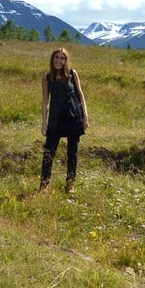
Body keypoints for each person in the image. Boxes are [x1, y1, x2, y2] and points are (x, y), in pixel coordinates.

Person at [40, 48, 89, 193]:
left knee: (72, 153)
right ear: (52, 59)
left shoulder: (72, 74)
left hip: (73, 117)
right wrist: (44, 122)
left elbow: (80, 94)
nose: (59, 61)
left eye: (62, 58)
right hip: (55, 118)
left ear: (66, 61)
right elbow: (45, 101)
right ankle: (43, 184)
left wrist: (85, 115)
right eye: (56, 57)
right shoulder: (47, 77)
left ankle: (70, 183)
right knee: (49, 152)